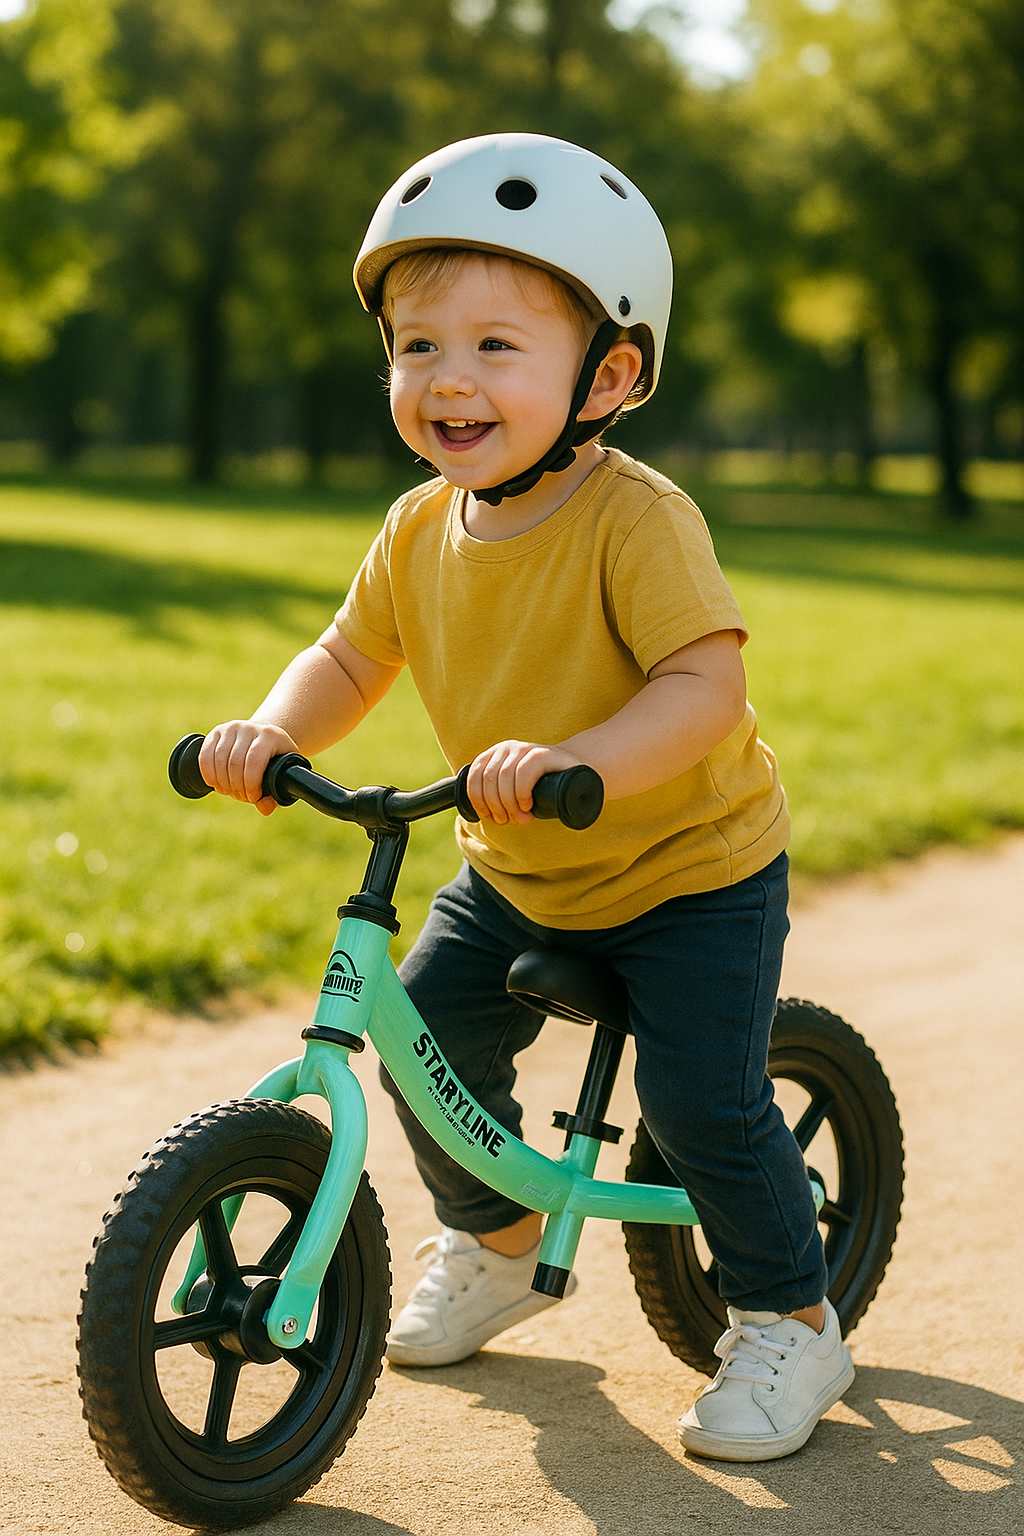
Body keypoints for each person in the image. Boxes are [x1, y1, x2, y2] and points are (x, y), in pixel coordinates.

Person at [198, 133, 853, 1462]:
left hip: (689, 870)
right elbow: (348, 654)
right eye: (417, 344)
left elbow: (703, 688)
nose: (448, 378)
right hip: (519, 863)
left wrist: (586, 761)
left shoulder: (635, 520)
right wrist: (268, 733)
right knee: (424, 1022)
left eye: (498, 347)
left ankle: (792, 1318)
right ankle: (496, 1241)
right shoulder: (416, 525)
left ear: (608, 375)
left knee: (700, 1104)